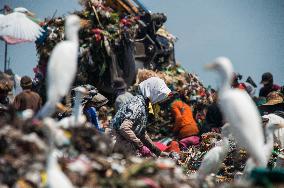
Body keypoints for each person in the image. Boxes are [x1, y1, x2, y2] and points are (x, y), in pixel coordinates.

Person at [111, 77, 171, 157]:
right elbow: (124, 128)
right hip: (118, 141)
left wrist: (157, 151)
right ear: (152, 92)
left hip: (125, 140)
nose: (159, 100)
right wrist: (140, 146)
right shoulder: (138, 104)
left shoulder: (143, 104)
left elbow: (141, 132)